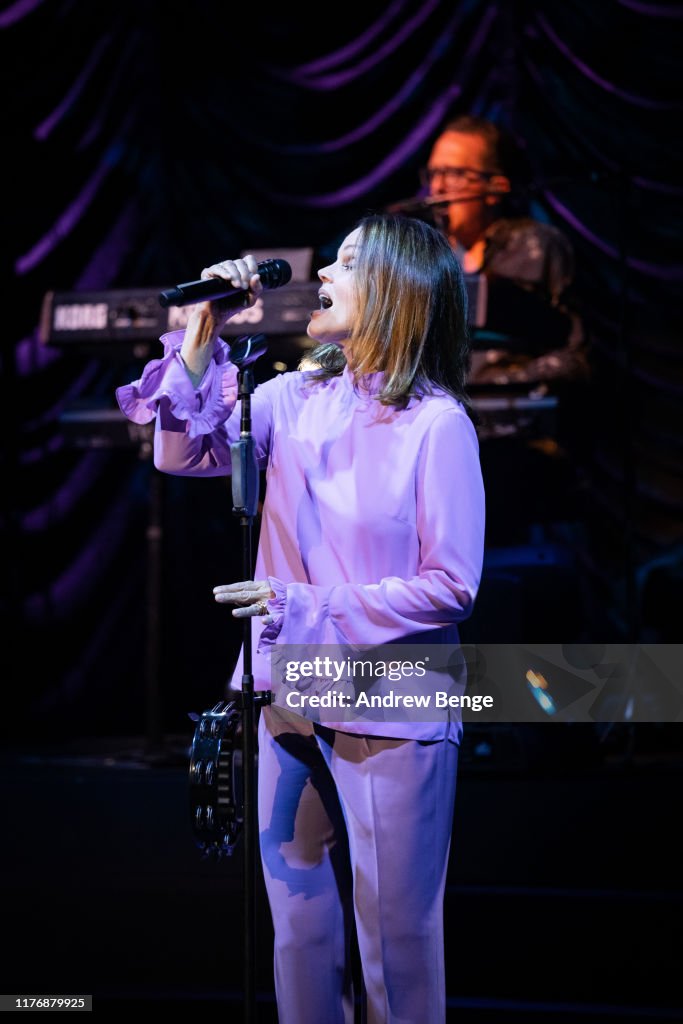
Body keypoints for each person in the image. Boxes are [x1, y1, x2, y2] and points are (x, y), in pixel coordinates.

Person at [115, 213, 485, 1023]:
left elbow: (451, 586)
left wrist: (300, 601)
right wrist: (200, 336)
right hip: (286, 689)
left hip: (390, 699)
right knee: (297, 926)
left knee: (395, 937)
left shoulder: (436, 424)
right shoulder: (288, 396)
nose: (322, 272)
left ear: (395, 291)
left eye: (348, 263)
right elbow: (182, 453)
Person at [422, 114, 588, 387]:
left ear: (495, 188)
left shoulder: (537, 247)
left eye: (454, 174)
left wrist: (501, 385)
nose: (437, 187)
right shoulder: (424, 255)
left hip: (516, 418)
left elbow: (577, 356)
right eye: (433, 174)